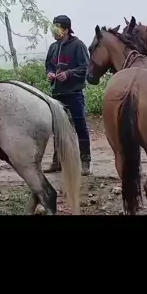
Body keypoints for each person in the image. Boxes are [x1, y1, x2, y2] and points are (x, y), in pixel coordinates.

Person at [44, 14, 92, 175]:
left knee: (80, 127)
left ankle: (85, 162)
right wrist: (50, 73)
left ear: (66, 30)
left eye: (57, 29)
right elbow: (48, 66)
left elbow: (85, 67)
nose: (53, 32)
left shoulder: (78, 45)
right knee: (58, 129)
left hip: (74, 93)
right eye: (53, 28)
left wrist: (69, 74)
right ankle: (57, 161)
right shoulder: (53, 47)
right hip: (57, 93)